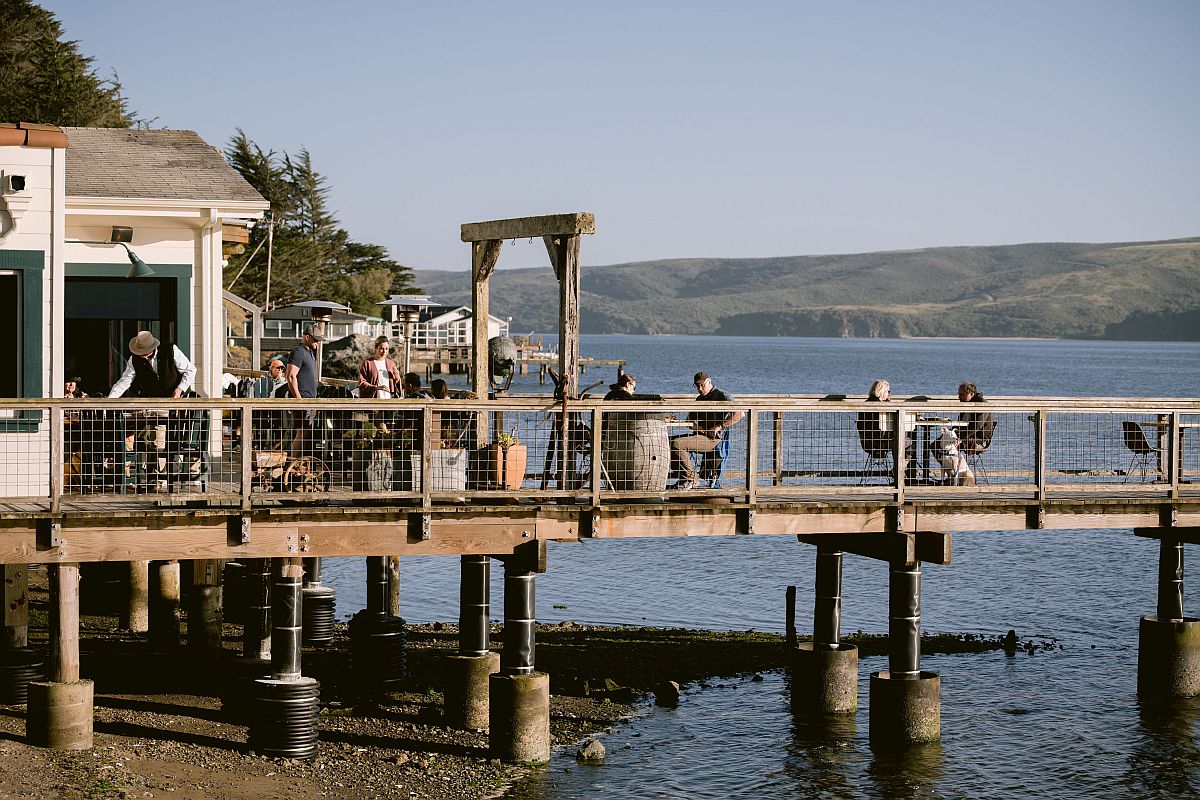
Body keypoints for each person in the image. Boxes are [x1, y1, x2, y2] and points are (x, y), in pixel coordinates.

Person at [108, 331, 198, 491]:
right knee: (123, 428)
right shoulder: (134, 359)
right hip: (148, 405)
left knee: (158, 433)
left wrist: (179, 389)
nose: (141, 355)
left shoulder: (170, 350)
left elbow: (190, 370)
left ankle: (159, 477)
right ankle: (123, 475)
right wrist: (109, 402)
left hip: (170, 405)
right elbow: (124, 381)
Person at [670, 372, 743, 490]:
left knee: (677, 444)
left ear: (709, 381)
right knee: (668, 441)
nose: (699, 388)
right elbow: (689, 421)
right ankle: (683, 478)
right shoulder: (699, 399)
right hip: (700, 436)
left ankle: (691, 479)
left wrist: (719, 426)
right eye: (696, 386)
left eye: (702, 385)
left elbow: (739, 414)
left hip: (714, 439)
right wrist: (700, 429)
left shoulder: (722, 395)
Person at [285, 324, 324, 457]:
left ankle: (298, 465)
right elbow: (290, 376)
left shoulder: (310, 354)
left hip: (310, 400)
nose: (318, 342)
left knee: (306, 433)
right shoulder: (298, 352)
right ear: (306, 337)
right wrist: (299, 400)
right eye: (315, 340)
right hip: (302, 400)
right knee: (301, 433)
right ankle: (293, 465)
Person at [957, 381, 995, 455]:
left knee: (948, 446)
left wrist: (959, 439)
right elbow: (960, 424)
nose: (959, 397)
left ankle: (956, 465)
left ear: (971, 394)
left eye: (962, 394)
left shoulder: (982, 404)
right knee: (935, 445)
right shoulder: (966, 403)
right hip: (966, 437)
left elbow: (977, 426)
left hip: (979, 440)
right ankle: (953, 465)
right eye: (958, 394)